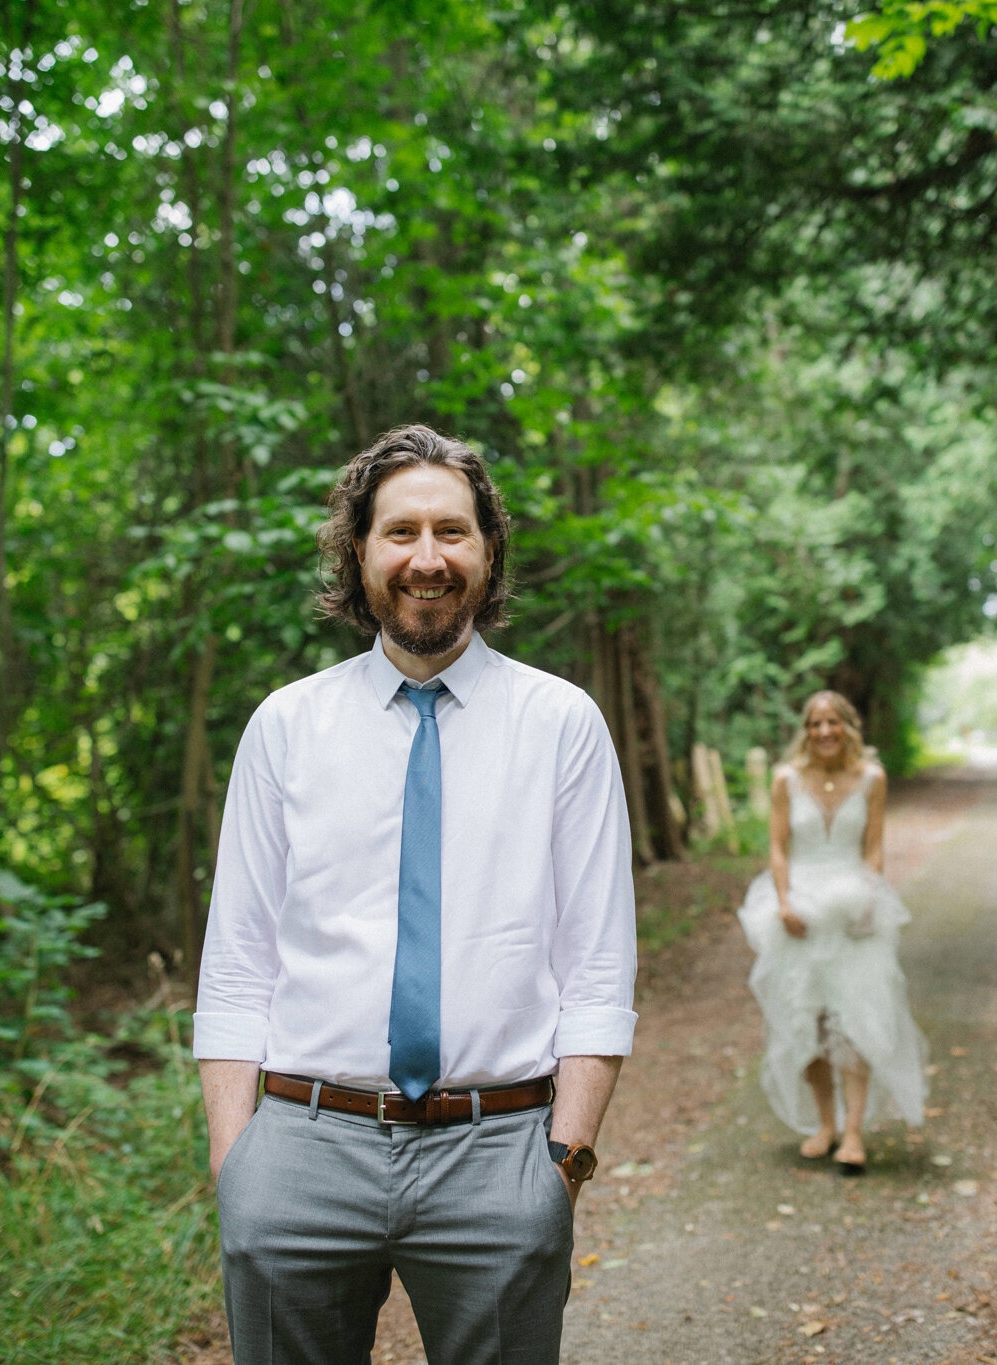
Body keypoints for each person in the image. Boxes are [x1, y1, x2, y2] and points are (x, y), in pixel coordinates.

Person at [193, 424, 637, 1365]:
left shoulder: (562, 725)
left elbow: (597, 961)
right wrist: (243, 1172)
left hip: (500, 1150)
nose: (426, 558)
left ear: (488, 551)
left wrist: (562, 1165)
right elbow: (237, 964)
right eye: (400, 533)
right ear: (359, 554)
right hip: (302, 1151)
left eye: (452, 532)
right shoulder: (285, 727)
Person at [736, 690, 928, 1173]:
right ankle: (826, 1124)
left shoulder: (871, 779)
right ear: (807, 730)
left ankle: (855, 1133)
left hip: (853, 912)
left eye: (833, 723)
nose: (824, 732)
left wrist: (870, 897)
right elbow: (778, 848)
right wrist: (782, 902)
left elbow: (873, 848)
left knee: (857, 1018)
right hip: (798, 911)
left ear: (847, 726)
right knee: (808, 1021)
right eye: (815, 723)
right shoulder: (786, 780)